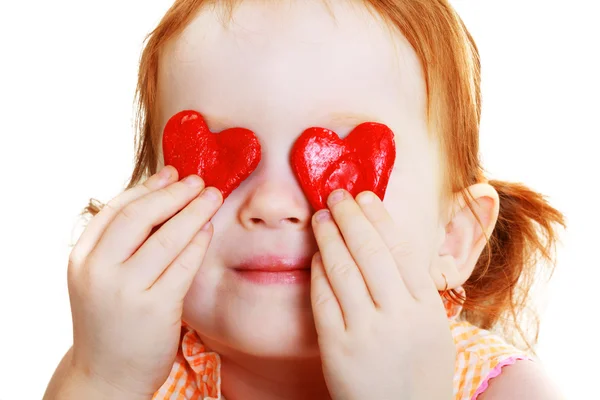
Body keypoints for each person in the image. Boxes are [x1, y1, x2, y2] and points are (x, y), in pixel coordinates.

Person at [43, 0, 566, 399]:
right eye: (220, 158)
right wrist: (101, 376)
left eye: (340, 166)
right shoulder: (122, 370)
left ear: (452, 239)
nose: (272, 203)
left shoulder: (503, 389)